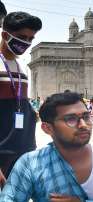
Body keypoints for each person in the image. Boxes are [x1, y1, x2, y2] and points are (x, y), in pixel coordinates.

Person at [0, 92, 93, 201]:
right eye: (71, 119)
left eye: (86, 116)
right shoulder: (30, 164)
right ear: (47, 128)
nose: (84, 125)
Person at [0, 11, 42, 186]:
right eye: (22, 37)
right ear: (4, 35)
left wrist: (32, 113)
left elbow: (18, 103)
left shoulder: (20, 67)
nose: (26, 42)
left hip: (24, 152)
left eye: (31, 39)